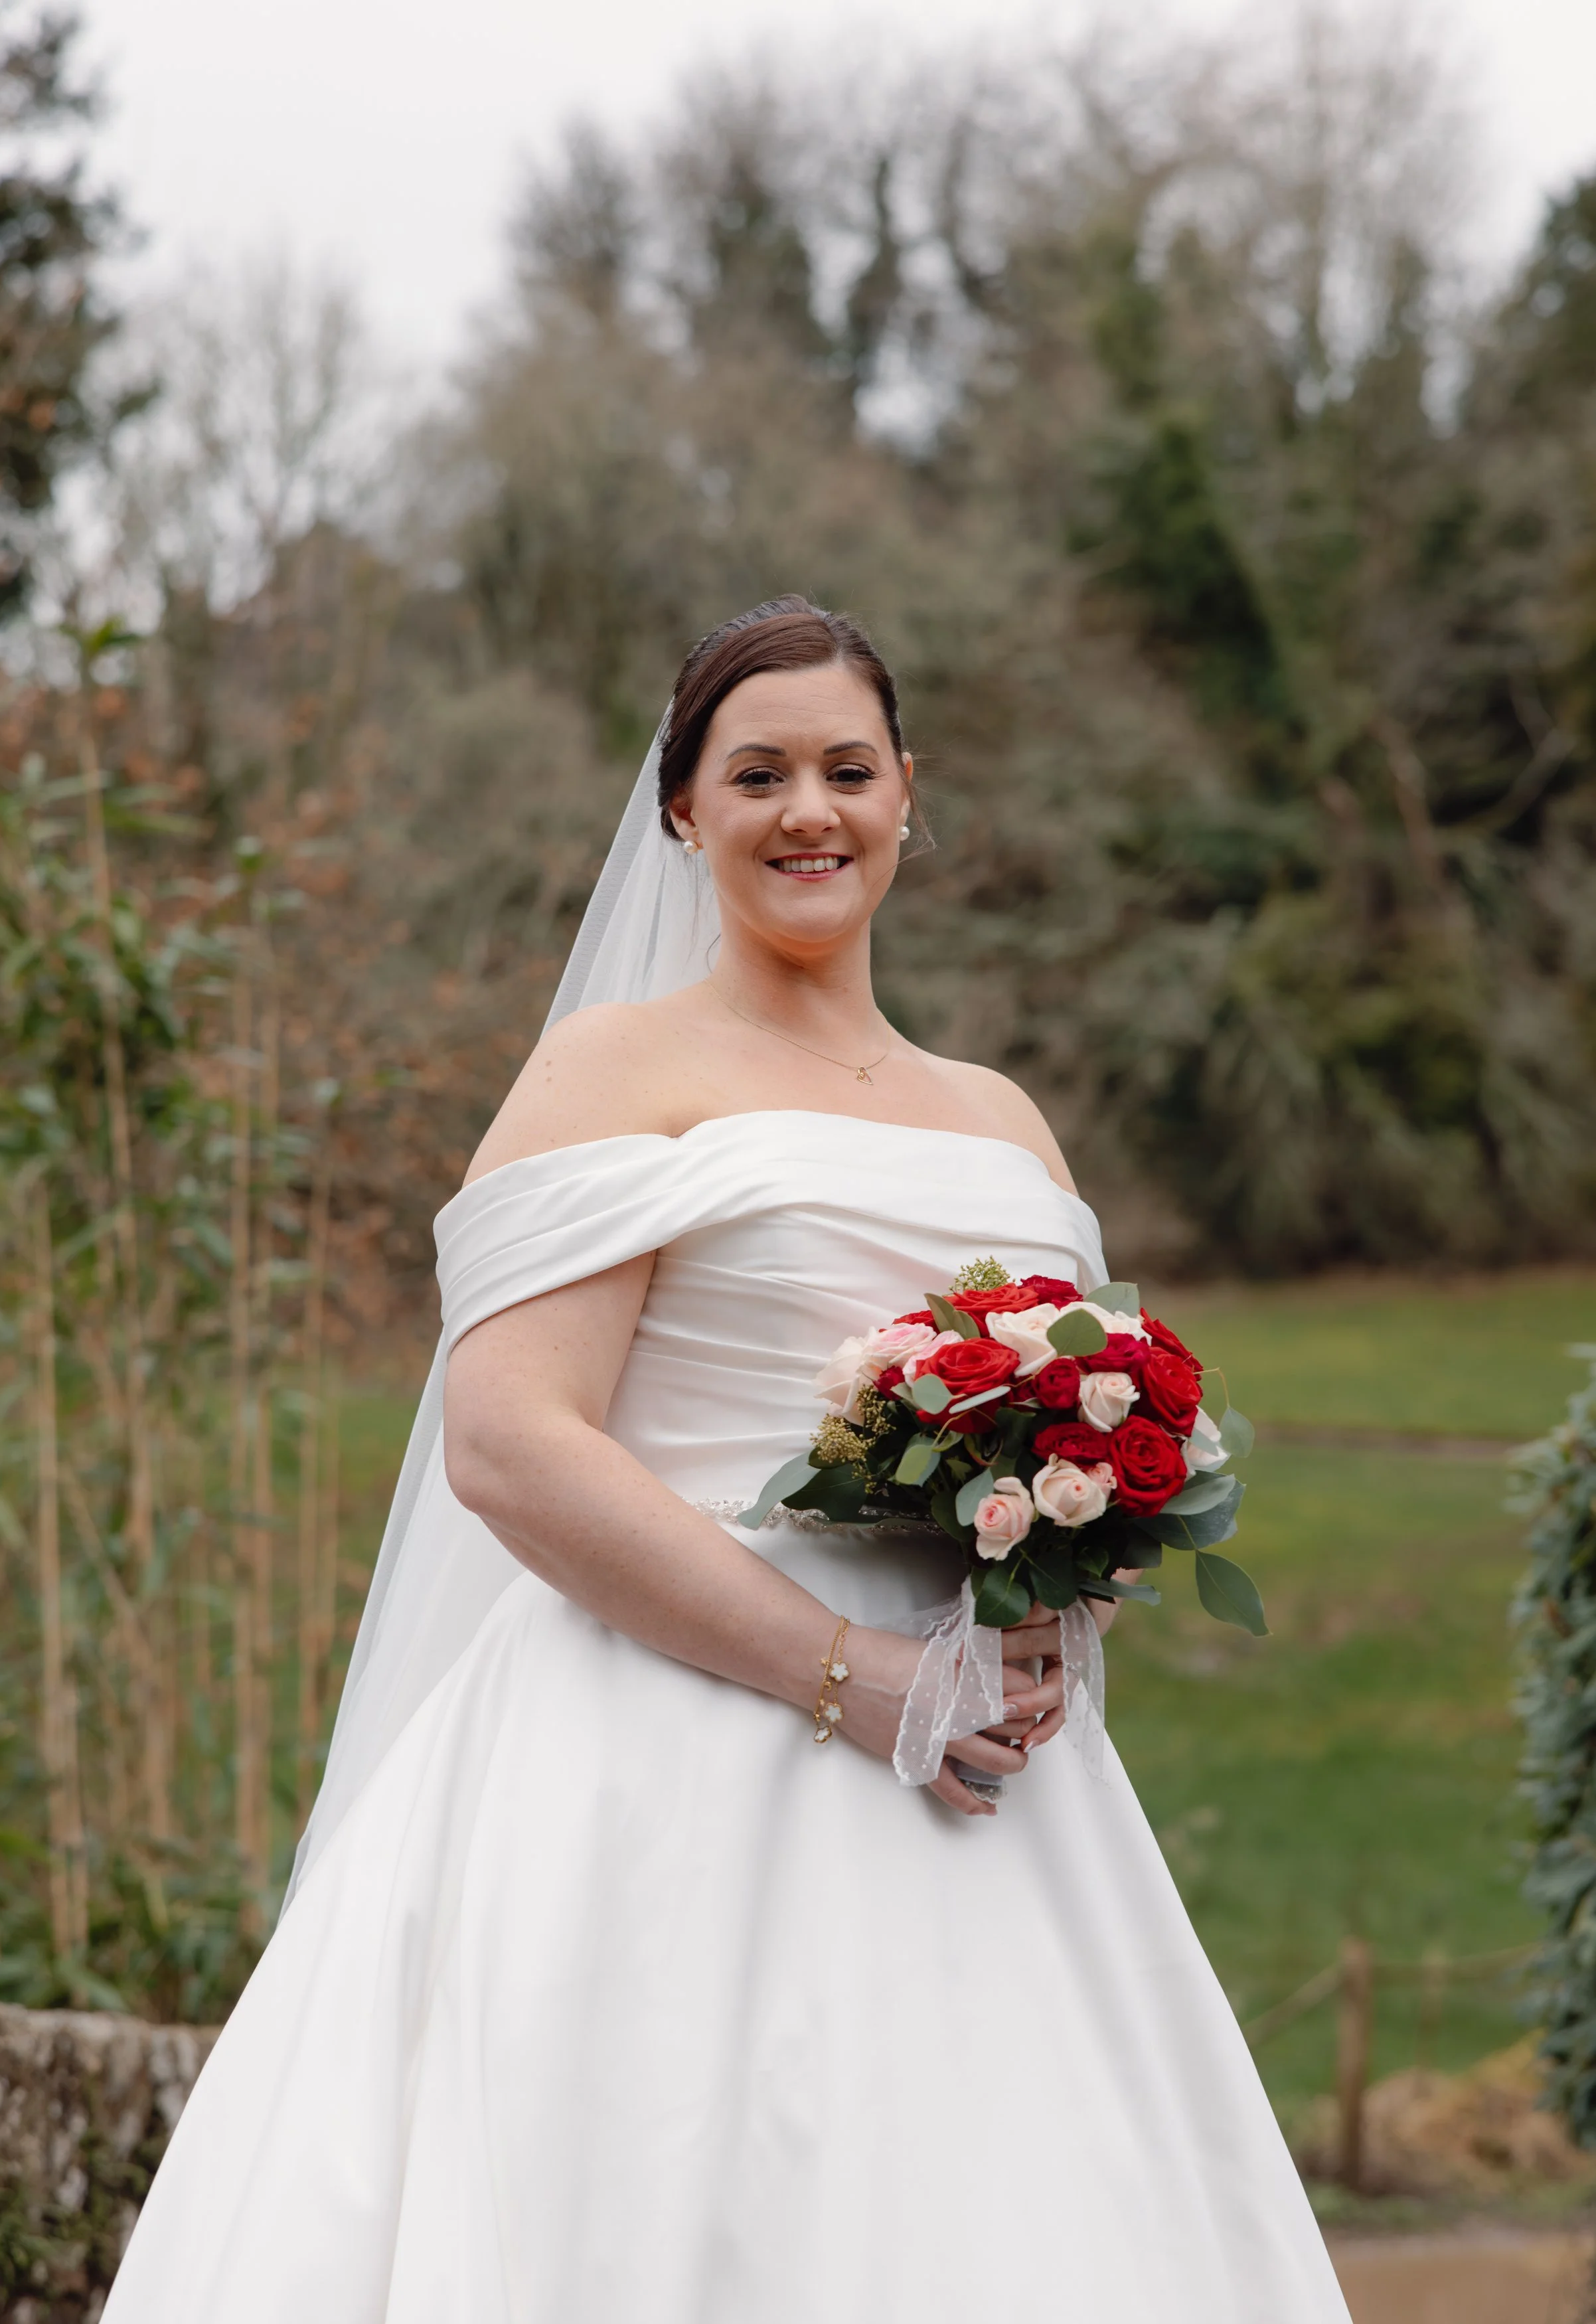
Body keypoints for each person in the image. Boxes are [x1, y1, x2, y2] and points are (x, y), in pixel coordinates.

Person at [104, 598, 1349, 2322]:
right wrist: (851, 1678)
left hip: (988, 1793)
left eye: (846, 768)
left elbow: (1073, 1442)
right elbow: (511, 1444)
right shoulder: (609, 1070)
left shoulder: (1001, 1119)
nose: (806, 810)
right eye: (754, 772)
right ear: (680, 810)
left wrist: (1055, 1610)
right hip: (655, 1749)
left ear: (910, 792)